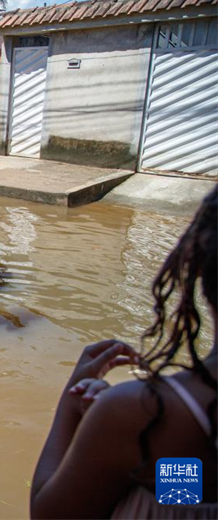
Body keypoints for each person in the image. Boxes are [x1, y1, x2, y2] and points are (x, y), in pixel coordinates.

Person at [31, 186, 217, 519]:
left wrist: (75, 407)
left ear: (198, 267)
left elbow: (47, 514)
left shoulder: (146, 416)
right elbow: (197, 490)